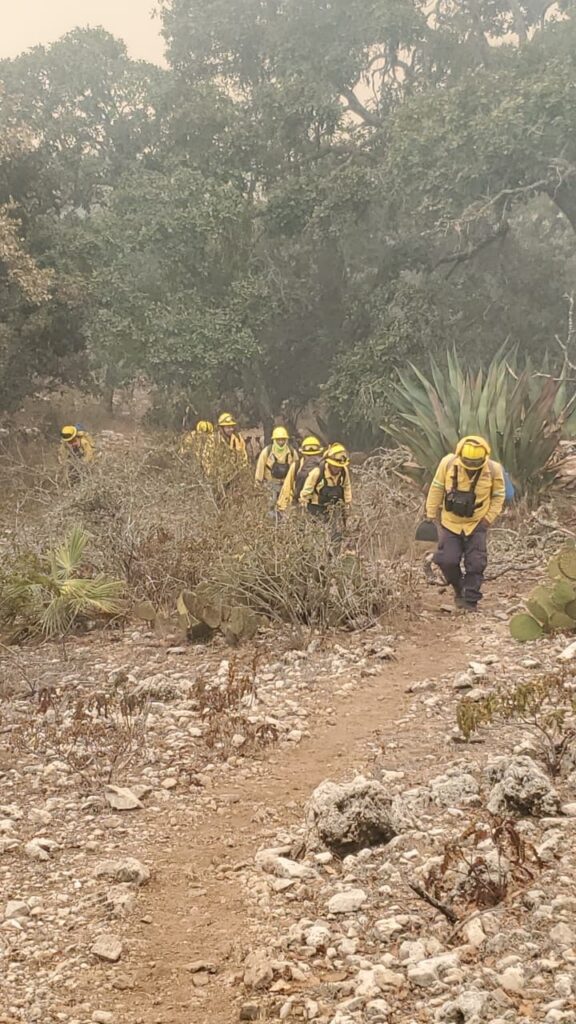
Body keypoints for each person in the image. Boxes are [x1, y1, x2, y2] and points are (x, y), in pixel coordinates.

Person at [425, 435, 506, 611]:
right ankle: (458, 588)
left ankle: (470, 600)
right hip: (450, 523)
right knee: (447, 560)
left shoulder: (493, 469)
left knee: (476, 563)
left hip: (477, 524)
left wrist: (487, 519)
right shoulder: (447, 463)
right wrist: (431, 513)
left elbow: (499, 496)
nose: (470, 466)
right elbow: (437, 487)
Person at [299, 443, 352, 532]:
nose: (337, 468)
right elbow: (306, 491)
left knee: (335, 534)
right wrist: (303, 508)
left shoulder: (344, 471)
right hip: (316, 508)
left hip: (333, 507)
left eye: (339, 467)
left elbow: (347, 487)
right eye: (335, 466)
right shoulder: (317, 472)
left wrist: (347, 504)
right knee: (317, 534)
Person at [277, 435, 325, 511]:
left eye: (314, 455)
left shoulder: (323, 468)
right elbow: (287, 486)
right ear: (303, 454)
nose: (311, 458)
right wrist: (282, 507)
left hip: (317, 506)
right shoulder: (296, 466)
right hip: (298, 505)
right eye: (308, 455)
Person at [255, 427, 297, 502]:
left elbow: (297, 470)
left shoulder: (292, 452)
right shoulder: (267, 452)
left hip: (286, 485)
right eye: (278, 440)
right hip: (269, 485)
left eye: (283, 439)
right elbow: (259, 469)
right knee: (270, 508)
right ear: (274, 440)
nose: (281, 442)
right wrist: (258, 486)